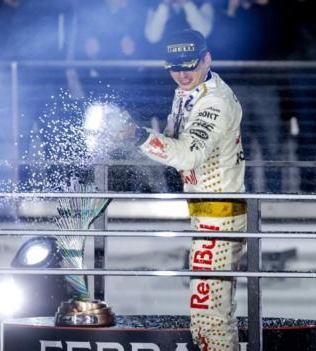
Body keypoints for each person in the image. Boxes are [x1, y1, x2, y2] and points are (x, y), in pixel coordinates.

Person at [124, 29, 245, 351]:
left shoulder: (214, 101)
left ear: (207, 59)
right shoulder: (190, 92)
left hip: (219, 216)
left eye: (189, 65)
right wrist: (133, 135)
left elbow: (188, 154)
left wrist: (137, 135)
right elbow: (172, 146)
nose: (181, 74)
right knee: (213, 315)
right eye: (174, 67)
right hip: (207, 212)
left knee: (208, 318)